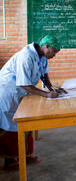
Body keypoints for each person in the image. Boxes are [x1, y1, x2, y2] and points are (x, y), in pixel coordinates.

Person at [0, 35, 65, 170]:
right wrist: (47, 94)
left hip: (21, 93)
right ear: (45, 46)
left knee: (26, 122)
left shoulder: (42, 56)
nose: (54, 55)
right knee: (10, 126)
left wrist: (52, 88)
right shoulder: (26, 56)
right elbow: (24, 84)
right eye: (53, 51)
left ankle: (26, 155)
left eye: (56, 53)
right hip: (8, 92)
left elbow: (44, 74)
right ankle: (10, 161)